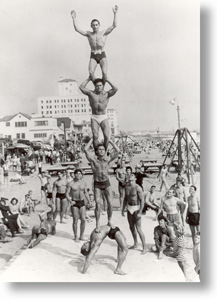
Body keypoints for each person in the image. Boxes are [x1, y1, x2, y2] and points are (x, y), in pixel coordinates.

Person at [71, 6, 118, 83]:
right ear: (91, 26)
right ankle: (97, 88)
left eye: (96, 25)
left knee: (105, 73)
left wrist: (115, 13)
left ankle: (102, 89)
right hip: (93, 55)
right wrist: (74, 18)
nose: (95, 26)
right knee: (91, 73)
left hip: (102, 55)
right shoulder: (89, 34)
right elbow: (77, 29)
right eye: (93, 25)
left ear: (99, 25)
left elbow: (114, 25)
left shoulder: (104, 33)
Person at [84, 138, 120, 232]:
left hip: (106, 182)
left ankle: (109, 220)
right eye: (99, 149)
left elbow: (118, 151)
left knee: (110, 203)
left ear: (105, 151)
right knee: (98, 205)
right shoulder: (93, 160)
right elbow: (85, 149)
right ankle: (97, 224)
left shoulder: (107, 160)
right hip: (97, 183)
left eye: (103, 149)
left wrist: (110, 140)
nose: (101, 151)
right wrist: (92, 139)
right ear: (96, 151)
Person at [80, 77, 118, 150]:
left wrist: (107, 79)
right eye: (97, 85)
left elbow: (116, 88)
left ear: (103, 86)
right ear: (95, 86)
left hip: (103, 117)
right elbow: (81, 87)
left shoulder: (106, 94)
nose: (99, 87)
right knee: (95, 136)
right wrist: (89, 79)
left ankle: (105, 151)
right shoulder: (91, 93)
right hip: (94, 117)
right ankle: (97, 152)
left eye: (100, 85)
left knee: (107, 136)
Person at [122, 173, 148, 254]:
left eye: (132, 175)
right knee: (131, 227)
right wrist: (123, 209)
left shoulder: (138, 188)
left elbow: (142, 200)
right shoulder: (126, 187)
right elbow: (125, 198)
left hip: (136, 208)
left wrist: (140, 211)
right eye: (130, 175)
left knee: (138, 228)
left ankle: (145, 247)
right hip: (129, 208)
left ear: (135, 179)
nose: (130, 176)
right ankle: (135, 243)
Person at [66, 169, 90, 242]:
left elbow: (86, 192)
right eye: (77, 174)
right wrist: (70, 201)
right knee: (75, 220)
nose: (78, 175)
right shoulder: (71, 183)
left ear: (81, 175)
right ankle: (76, 236)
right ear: (74, 174)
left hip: (82, 202)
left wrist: (89, 201)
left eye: (80, 174)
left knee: (83, 219)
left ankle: (81, 236)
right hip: (74, 202)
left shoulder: (84, 183)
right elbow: (66, 193)